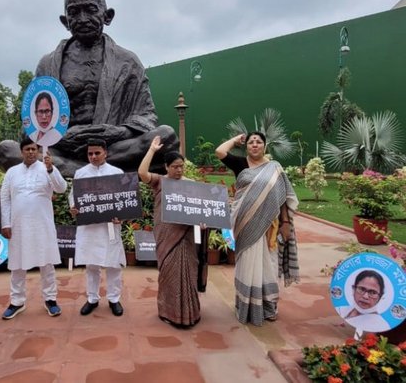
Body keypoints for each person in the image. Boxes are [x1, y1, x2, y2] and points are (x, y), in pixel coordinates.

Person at [0, 0, 177, 176]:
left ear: (108, 16)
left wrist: (117, 132)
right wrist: (60, 137)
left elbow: (146, 116)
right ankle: (97, 172)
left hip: (114, 148)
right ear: (65, 21)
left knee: (166, 135)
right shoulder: (47, 65)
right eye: (74, 12)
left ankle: (74, 171)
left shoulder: (128, 61)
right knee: (7, 151)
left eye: (90, 10)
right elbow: (30, 124)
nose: (82, 19)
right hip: (62, 148)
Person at [215, 132, 299, 326]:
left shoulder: (274, 168)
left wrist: (285, 223)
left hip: (269, 226)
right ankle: (246, 306)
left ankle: (269, 307)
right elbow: (220, 151)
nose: (254, 145)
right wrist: (235, 140)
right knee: (247, 264)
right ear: (246, 147)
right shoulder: (240, 164)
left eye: (258, 142)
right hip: (244, 224)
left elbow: (283, 198)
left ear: (265, 146)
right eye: (251, 142)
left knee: (267, 265)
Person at [0, 137, 67, 319]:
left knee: (47, 263)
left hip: (42, 225)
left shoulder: (47, 168)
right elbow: (5, 198)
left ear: (38, 151)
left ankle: (50, 299)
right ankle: (17, 302)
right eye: (27, 149)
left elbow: (61, 188)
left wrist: (51, 169)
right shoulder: (12, 172)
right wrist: (5, 223)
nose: (31, 152)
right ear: (21, 152)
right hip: (18, 225)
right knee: (17, 265)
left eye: (34, 149)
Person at [138, 136, 201, 328]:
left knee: (188, 272)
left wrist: (203, 222)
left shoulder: (190, 183)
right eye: (175, 166)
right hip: (166, 235)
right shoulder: (159, 182)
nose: (179, 170)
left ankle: (190, 313)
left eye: (181, 166)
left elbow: (200, 207)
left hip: (186, 235)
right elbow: (142, 173)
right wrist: (151, 150)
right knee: (168, 273)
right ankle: (169, 312)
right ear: (166, 167)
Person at [69, 138, 125, 317]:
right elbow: (73, 196)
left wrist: (121, 215)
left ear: (105, 153)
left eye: (97, 153)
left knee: (113, 263)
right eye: (90, 153)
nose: (93, 157)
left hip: (110, 225)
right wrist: (73, 208)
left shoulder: (117, 173)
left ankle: (114, 298)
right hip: (89, 226)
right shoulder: (80, 173)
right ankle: (92, 298)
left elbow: (124, 199)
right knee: (91, 263)